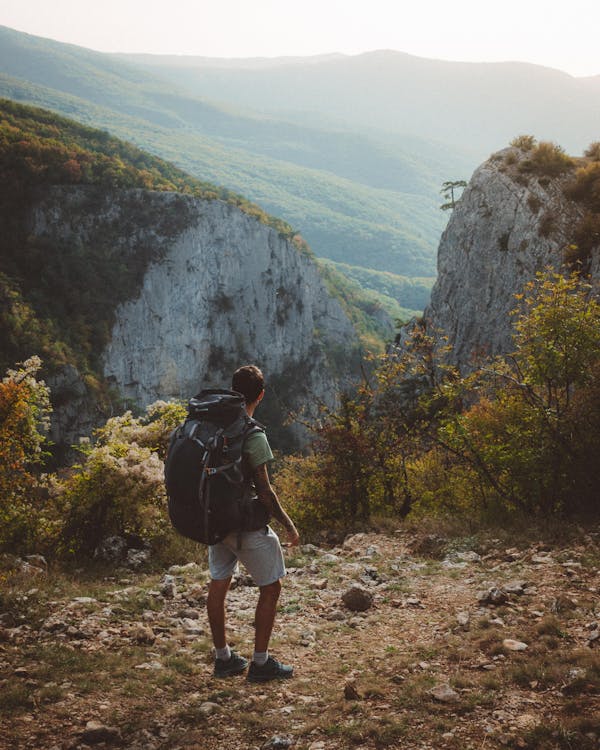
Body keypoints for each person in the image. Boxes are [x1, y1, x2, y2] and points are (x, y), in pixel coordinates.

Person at [206, 364, 300, 682]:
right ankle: (260, 664)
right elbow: (265, 489)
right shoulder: (252, 433)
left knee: (219, 583)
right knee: (271, 587)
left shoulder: (212, 425)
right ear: (260, 395)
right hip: (243, 525)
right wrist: (288, 524)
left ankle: (223, 659)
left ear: (233, 390)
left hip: (215, 522)